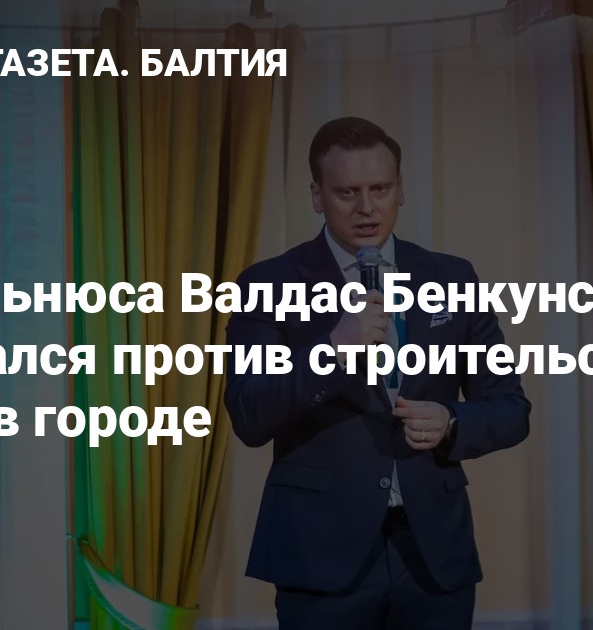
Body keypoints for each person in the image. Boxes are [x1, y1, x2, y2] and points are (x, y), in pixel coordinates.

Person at [224, 117, 531, 629]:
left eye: (380, 189)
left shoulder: (452, 277)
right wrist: (331, 351)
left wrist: (451, 420)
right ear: (317, 196)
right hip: (320, 555)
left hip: (433, 554)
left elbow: (510, 408)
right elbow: (250, 415)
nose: (366, 207)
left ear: (400, 190)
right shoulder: (268, 284)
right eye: (347, 192)